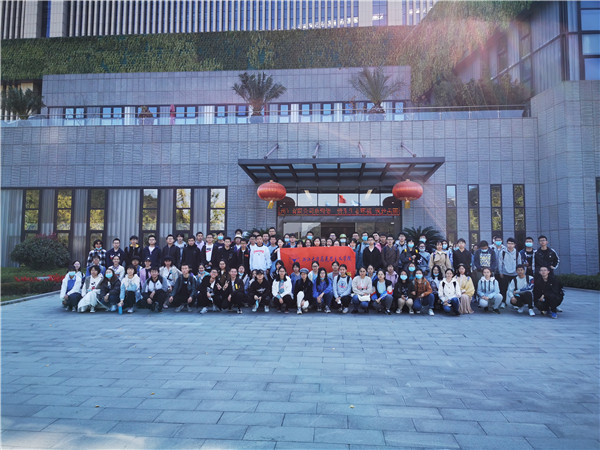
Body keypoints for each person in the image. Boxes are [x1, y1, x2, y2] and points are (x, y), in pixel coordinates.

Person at [498, 237, 519, 308]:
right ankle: (503, 302)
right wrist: (501, 272)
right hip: (505, 273)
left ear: (514, 244)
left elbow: (519, 264)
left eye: (512, 243)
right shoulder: (502, 252)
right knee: (503, 289)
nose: (510, 245)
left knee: (515, 289)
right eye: (508, 243)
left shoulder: (517, 253)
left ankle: (515, 303)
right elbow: (500, 263)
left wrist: (519, 273)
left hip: (514, 274)